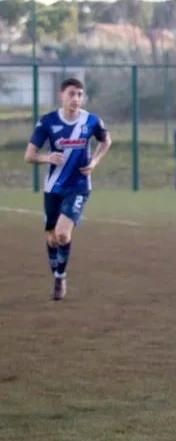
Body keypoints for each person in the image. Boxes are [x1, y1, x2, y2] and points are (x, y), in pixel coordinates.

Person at [24, 77, 112, 301]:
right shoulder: (47, 122)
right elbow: (29, 156)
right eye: (72, 93)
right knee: (52, 238)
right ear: (61, 95)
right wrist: (48, 157)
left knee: (63, 234)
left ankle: (60, 277)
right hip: (53, 187)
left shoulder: (91, 121)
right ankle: (56, 271)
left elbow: (106, 140)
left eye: (80, 94)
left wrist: (94, 162)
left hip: (79, 186)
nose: (76, 99)